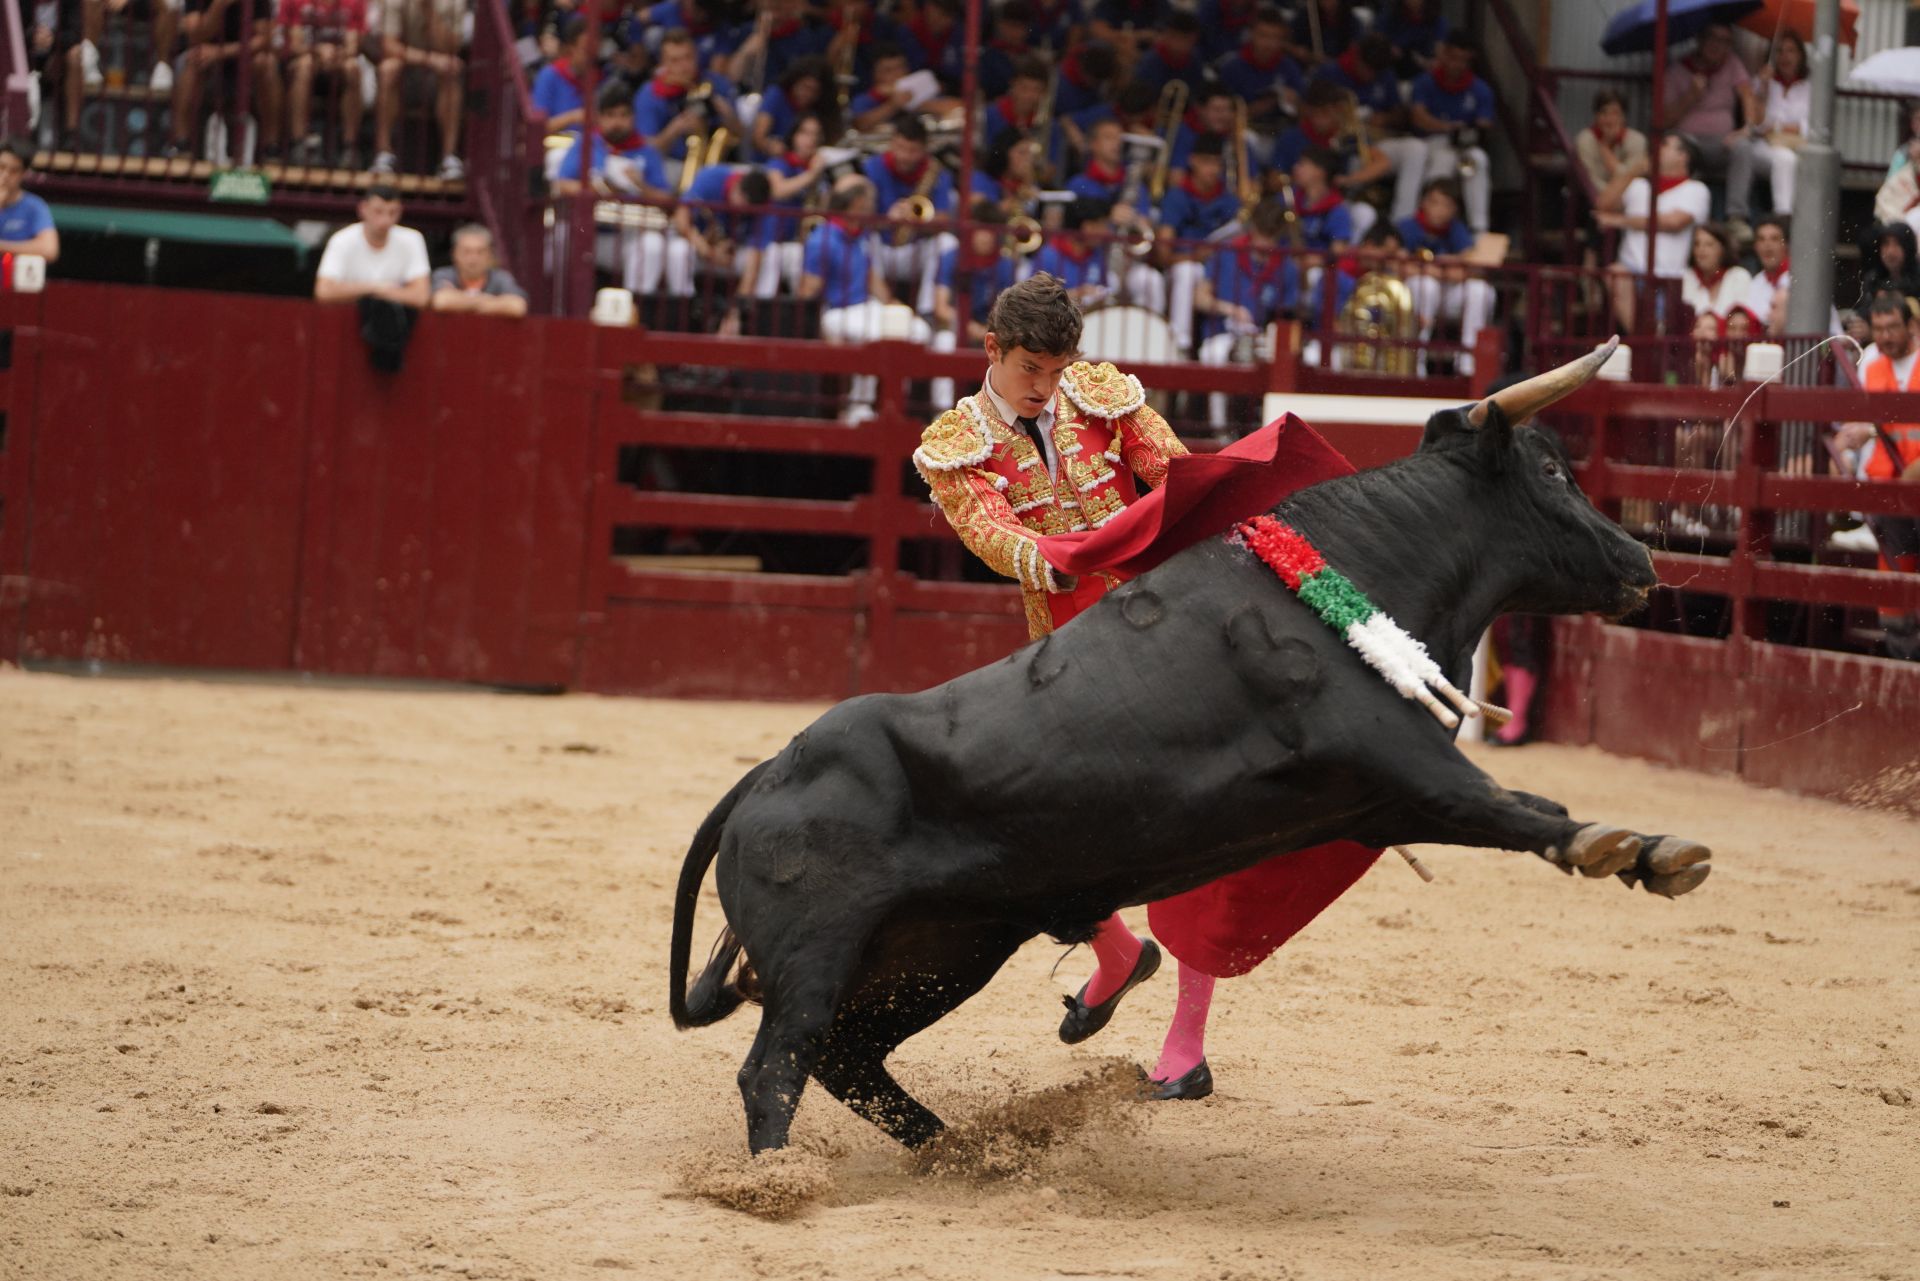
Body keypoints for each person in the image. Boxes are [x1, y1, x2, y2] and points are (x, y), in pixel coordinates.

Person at [914, 273, 1382, 1101]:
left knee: (1201, 819)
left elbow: (1175, 476)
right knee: (1038, 819)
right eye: (1030, 366)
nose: (1045, 385)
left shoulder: (1099, 395)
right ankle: (1116, 952)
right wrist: (1086, 553)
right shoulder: (954, 442)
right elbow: (998, 540)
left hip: (1165, 629)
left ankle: (1185, 1042)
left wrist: (1151, 526)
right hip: (1066, 650)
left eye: (1058, 368)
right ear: (991, 349)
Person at [800, 174, 947, 421]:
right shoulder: (821, 238)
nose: (873, 206)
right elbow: (807, 290)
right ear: (857, 203)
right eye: (869, 200)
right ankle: (859, 406)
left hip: (866, 307)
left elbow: (871, 276)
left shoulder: (861, 235)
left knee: (917, 330)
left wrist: (892, 304)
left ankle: (897, 401)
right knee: (876, 336)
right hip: (837, 311)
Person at [1853, 292, 1920, 658]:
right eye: (1878, 328)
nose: (1885, 336)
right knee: (1894, 576)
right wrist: (1858, 431)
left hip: (1913, 483)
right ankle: (1904, 660)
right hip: (1890, 492)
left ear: (1911, 326)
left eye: (1893, 326)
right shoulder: (1871, 367)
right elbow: (1868, 422)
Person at [1596, 132, 1711, 333]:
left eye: (1665, 144)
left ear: (1683, 156)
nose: (1656, 148)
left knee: (1662, 331)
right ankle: (1643, 342)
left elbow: (1675, 222)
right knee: (1615, 272)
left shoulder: (1696, 189)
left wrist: (1620, 221)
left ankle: (1648, 344)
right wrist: (1632, 171)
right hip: (1631, 272)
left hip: (1667, 278)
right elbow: (1603, 205)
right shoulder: (1638, 185)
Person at [1195, 197, 1290, 432]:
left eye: (1271, 236)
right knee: (1214, 354)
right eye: (1261, 233)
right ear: (1252, 228)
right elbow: (1199, 298)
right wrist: (1230, 309)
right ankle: (1220, 431)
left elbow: (1290, 312)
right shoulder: (1226, 253)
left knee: (1282, 363)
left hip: (1263, 337)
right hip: (1223, 334)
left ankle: (1269, 432)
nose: (1264, 242)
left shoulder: (1287, 265)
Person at [1655, 22, 1757, 234]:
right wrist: (1690, 97)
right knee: (1676, 147)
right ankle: (1683, 215)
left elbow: (1747, 95)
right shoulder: (1678, 70)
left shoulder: (1731, 64)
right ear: (1700, 40)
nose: (1718, 46)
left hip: (1721, 143)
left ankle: (1736, 217)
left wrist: (1746, 127)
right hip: (1688, 142)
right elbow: (1662, 121)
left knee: (1744, 147)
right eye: (1713, 38)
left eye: (1725, 41)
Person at [1396, 178, 1496, 375]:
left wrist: (1430, 267)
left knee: (1481, 291)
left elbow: (1465, 271)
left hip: (1445, 294)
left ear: (1455, 210)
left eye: (1447, 205)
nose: (1439, 209)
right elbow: (1400, 266)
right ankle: (1415, 361)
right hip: (1414, 293)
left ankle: (1468, 364)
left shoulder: (1457, 230)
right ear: (1423, 202)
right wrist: (1445, 266)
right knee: (1423, 284)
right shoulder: (1406, 226)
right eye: (1434, 202)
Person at [1159, 133, 1243, 355]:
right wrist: (1198, 256)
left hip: (1216, 272)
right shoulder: (1177, 196)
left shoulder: (1229, 201)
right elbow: (1163, 255)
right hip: (1178, 273)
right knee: (1189, 270)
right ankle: (1180, 346)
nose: (1213, 169)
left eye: (1217, 163)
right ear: (1193, 161)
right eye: (1207, 162)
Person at [162, 0, 277, 162]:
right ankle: (181, 143)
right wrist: (219, 6)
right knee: (192, 62)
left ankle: (271, 147)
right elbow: (195, 35)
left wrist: (221, 52)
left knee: (267, 63)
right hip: (204, 53)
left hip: (243, 54)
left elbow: (264, 39)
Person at [866, 116, 957, 313]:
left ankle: (927, 311)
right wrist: (887, 219)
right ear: (891, 143)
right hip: (881, 248)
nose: (905, 156)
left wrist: (921, 220)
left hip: (913, 250)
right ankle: (876, 306)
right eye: (899, 147)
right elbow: (859, 215)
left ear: (924, 149)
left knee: (947, 242)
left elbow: (945, 219)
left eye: (912, 150)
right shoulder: (872, 167)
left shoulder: (936, 172)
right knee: (863, 240)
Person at [1407, 32, 1493, 233]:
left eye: (1464, 60)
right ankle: (1429, 222)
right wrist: (1448, 127)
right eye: (1453, 58)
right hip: (1432, 143)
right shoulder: (1425, 82)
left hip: (1465, 146)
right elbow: (1418, 116)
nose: (1457, 65)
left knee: (1477, 159)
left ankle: (1478, 227)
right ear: (1443, 54)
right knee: (1442, 160)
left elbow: (1485, 124)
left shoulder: (1479, 89)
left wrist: (1469, 130)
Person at [371, 0, 467, 178]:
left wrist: (429, 10)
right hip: (406, 71)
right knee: (388, 69)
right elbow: (389, 46)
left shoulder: (454, 3)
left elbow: (451, 47)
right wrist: (430, 59)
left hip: (437, 76)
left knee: (452, 71)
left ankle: (449, 158)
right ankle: (383, 154)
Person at [280, 0, 370, 169]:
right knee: (304, 65)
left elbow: (353, 46)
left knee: (353, 68)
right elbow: (295, 45)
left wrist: (335, 54)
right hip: (306, 60)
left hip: (338, 62)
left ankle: (349, 148)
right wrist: (318, 51)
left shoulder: (355, 2)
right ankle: (299, 143)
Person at [314, 184, 431, 307]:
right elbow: (323, 291)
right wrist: (376, 288)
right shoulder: (341, 239)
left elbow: (421, 297)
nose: (385, 220)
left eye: (392, 212)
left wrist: (372, 291)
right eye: (378, 211)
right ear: (363, 208)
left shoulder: (413, 239)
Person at [931, 201, 1018, 346]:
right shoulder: (950, 257)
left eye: (990, 231)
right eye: (980, 230)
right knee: (944, 341)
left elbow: (1010, 315)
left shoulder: (1006, 265)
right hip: (954, 327)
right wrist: (968, 326)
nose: (985, 237)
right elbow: (941, 308)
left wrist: (987, 331)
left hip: (992, 332)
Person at [1742, 31, 1810, 218]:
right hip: (1764, 148)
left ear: (1800, 55)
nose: (1785, 56)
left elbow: (1812, 127)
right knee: (1785, 159)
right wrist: (1763, 89)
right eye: (1779, 51)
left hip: (1799, 147)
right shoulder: (1761, 82)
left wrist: (1778, 127)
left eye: (1791, 51)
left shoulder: (1810, 87)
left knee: (1797, 160)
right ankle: (1783, 215)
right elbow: (1756, 125)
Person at [1212, 7, 1304, 128]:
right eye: (1263, 36)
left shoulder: (1289, 67)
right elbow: (1219, 116)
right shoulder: (1232, 68)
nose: (1269, 44)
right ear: (1251, 34)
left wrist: (1295, 101)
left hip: (1279, 131)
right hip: (1240, 132)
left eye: (1276, 37)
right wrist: (1259, 107)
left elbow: (1304, 111)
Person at [430, 223, 530, 317]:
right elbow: (441, 301)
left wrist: (461, 302)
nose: (473, 259)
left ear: (490, 255)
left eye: (480, 252)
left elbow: (517, 306)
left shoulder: (501, 278)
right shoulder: (443, 274)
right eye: (467, 251)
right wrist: (491, 301)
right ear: (454, 254)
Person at [1577, 89, 1649, 205]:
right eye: (1604, 113)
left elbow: (1631, 178)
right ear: (1596, 116)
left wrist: (1605, 149)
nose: (1609, 120)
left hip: (1627, 201)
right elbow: (1591, 180)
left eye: (1615, 113)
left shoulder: (1637, 140)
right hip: (1594, 201)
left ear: (1624, 117)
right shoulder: (1585, 140)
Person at [530, 12, 595, 136]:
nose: (591, 55)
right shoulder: (549, 76)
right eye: (586, 50)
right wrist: (572, 117)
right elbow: (536, 129)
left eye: (595, 49)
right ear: (571, 48)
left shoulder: (600, 77)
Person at [0, 139, 60, 265]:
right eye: (1, 167)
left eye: (13, 171)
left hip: (16, 282)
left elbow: (49, 250)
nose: (5, 175)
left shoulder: (34, 206)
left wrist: (3, 246)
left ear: (23, 174)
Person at [1681, 222, 1751, 319]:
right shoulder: (1686, 278)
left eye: (1709, 244)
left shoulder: (1739, 276)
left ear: (1723, 249)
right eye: (1697, 244)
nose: (1701, 250)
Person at [1855, 222, 1920, 314]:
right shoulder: (1873, 279)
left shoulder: (1917, 280)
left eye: (1897, 244)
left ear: (1908, 247)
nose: (1890, 251)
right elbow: (1864, 312)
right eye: (1886, 244)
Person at [1743, 213, 1790, 321]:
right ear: (1755, 247)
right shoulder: (1755, 284)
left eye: (1774, 239)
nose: (1767, 245)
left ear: (1786, 245)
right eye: (1761, 239)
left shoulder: (1802, 280)